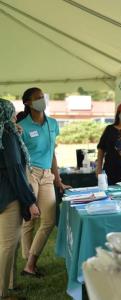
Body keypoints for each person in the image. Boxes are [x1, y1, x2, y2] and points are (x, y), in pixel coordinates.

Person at [18, 87, 69, 277]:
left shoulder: (53, 124)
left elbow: (53, 153)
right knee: (29, 219)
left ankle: (29, 261)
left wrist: (58, 179)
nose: (42, 100)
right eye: (37, 98)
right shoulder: (22, 127)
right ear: (28, 103)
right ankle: (28, 263)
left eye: (42, 97)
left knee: (48, 220)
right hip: (29, 172)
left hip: (47, 174)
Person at [0, 99, 40, 298]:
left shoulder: (7, 133)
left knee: (8, 244)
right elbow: (16, 170)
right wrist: (30, 201)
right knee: (8, 245)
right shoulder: (7, 136)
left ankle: (10, 284)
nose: (16, 116)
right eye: (12, 113)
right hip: (8, 197)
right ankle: (3, 292)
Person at [96, 103, 121, 185]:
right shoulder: (109, 129)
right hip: (111, 170)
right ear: (118, 114)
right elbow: (101, 148)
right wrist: (98, 167)